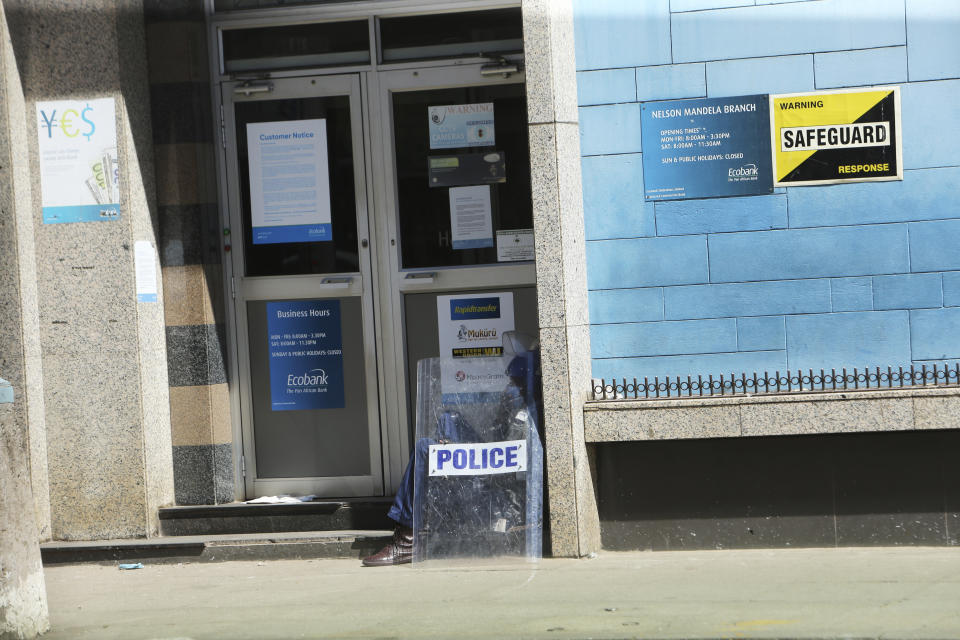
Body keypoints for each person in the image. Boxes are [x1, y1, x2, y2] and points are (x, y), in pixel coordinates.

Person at [362, 335, 539, 567]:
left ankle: (407, 540)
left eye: (514, 383)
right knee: (449, 419)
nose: (508, 388)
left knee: (425, 449)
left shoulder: (528, 415)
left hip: (498, 486)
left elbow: (511, 464)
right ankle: (432, 501)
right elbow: (497, 434)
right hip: (491, 463)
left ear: (527, 385)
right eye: (510, 382)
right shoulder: (519, 405)